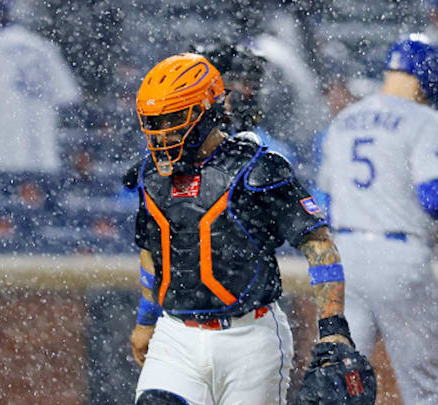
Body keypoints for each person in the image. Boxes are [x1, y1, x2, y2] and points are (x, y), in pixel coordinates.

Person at [123, 53, 374, 405]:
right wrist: (146, 320)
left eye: (175, 117)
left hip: (250, 337)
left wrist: (333, 329)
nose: (164, 130)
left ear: (207, 109)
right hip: (175, 333)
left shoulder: (259, 168)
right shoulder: (151, 176)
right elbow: (153, 249)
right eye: (155, 120)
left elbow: (319, 244)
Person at [318, 35, 438, 405]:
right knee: (423, 388)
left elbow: (324, 203)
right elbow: (433, 197)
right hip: (398, 256)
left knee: (344, 382)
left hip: (344, 256)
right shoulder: (425, 119)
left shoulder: (345, 119)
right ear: (427, 78)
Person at [0, 0, 80, 173]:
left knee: (0, 198)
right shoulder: (43, 47)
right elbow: (70, 101)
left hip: (2, 155)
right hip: (44, 156)